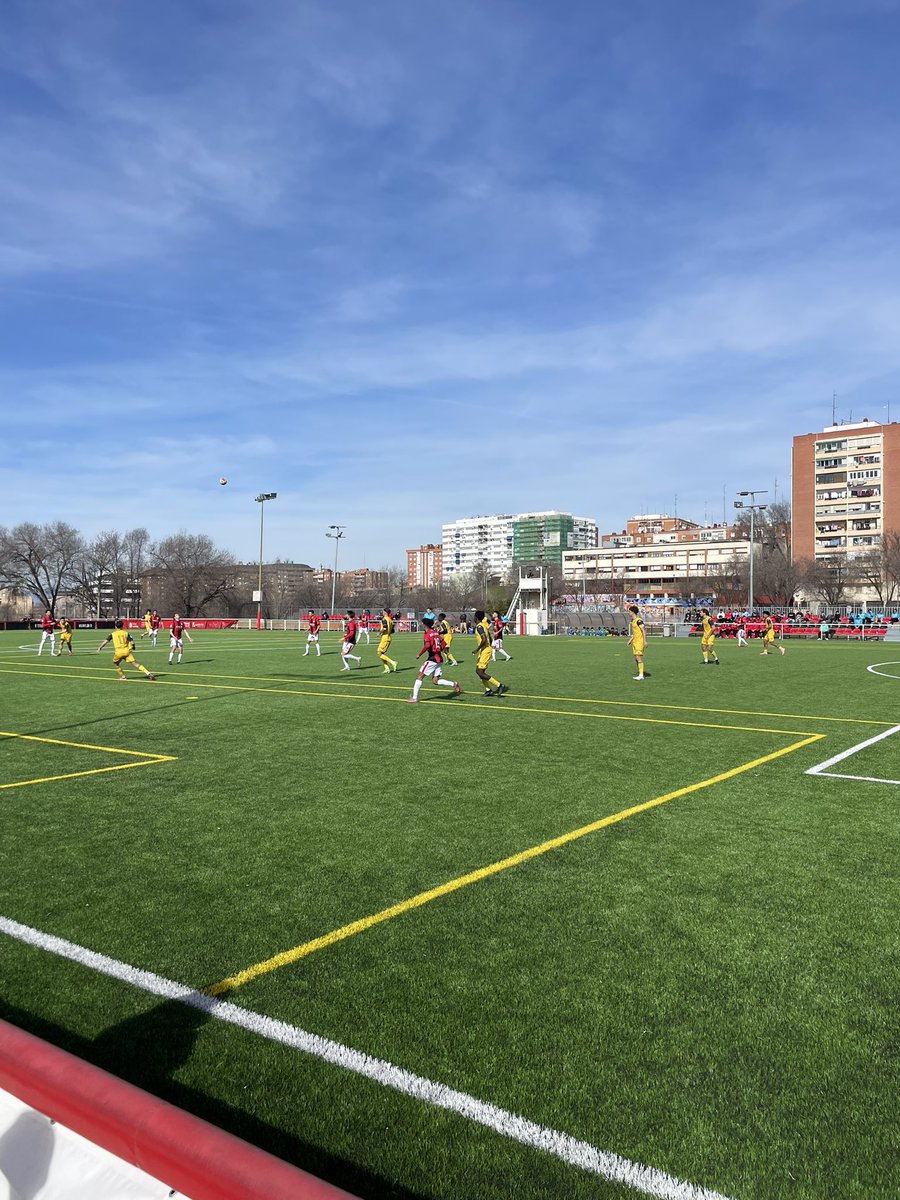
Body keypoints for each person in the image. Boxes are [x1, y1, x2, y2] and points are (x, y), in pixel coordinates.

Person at [407, 616, 461, 703]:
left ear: (425, 625)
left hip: (432, 659)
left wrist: (419, 654)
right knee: (435, 681)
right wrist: (440, 649)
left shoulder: (427, 634)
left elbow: (428, 645)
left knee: (419, 676)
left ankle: (414, 698)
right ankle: (453, 684)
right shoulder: (436, 633)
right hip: (439, 658)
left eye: (422, 624)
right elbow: (443, 642)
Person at [473, 610, 507, 696]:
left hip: (484, 650)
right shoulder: (484, 625)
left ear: (476, 618)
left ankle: (499, 685)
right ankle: (488, 690)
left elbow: (484, 639)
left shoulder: (479, 627)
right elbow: (489, 637)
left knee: (480, 672)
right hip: (485, 650)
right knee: (479, 671)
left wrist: (477, 649)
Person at [627, 605, 647, 680]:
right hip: (635, 642)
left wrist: (645, 641)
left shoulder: (639, 620)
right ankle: (640, 673)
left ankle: (641, 675)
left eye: (629, 611)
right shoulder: (633, 621)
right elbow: (635, 633)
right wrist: (630, 640)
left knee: (638, 657)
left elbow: (643, 631)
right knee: (636, 658)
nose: (628, 613)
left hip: (639, 642)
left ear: (632, 612)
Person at [377, 608, 398, 673]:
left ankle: (393, 662)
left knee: (379, 653)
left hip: (385, 638)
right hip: (388, 637)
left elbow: (384, 628)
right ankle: (387, 668)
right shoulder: (390, 619)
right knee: (381, 654)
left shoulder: (384, 619)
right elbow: (392, 631)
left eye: (383, 611)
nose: (382, 612)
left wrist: (379, 633)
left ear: (385, 612)